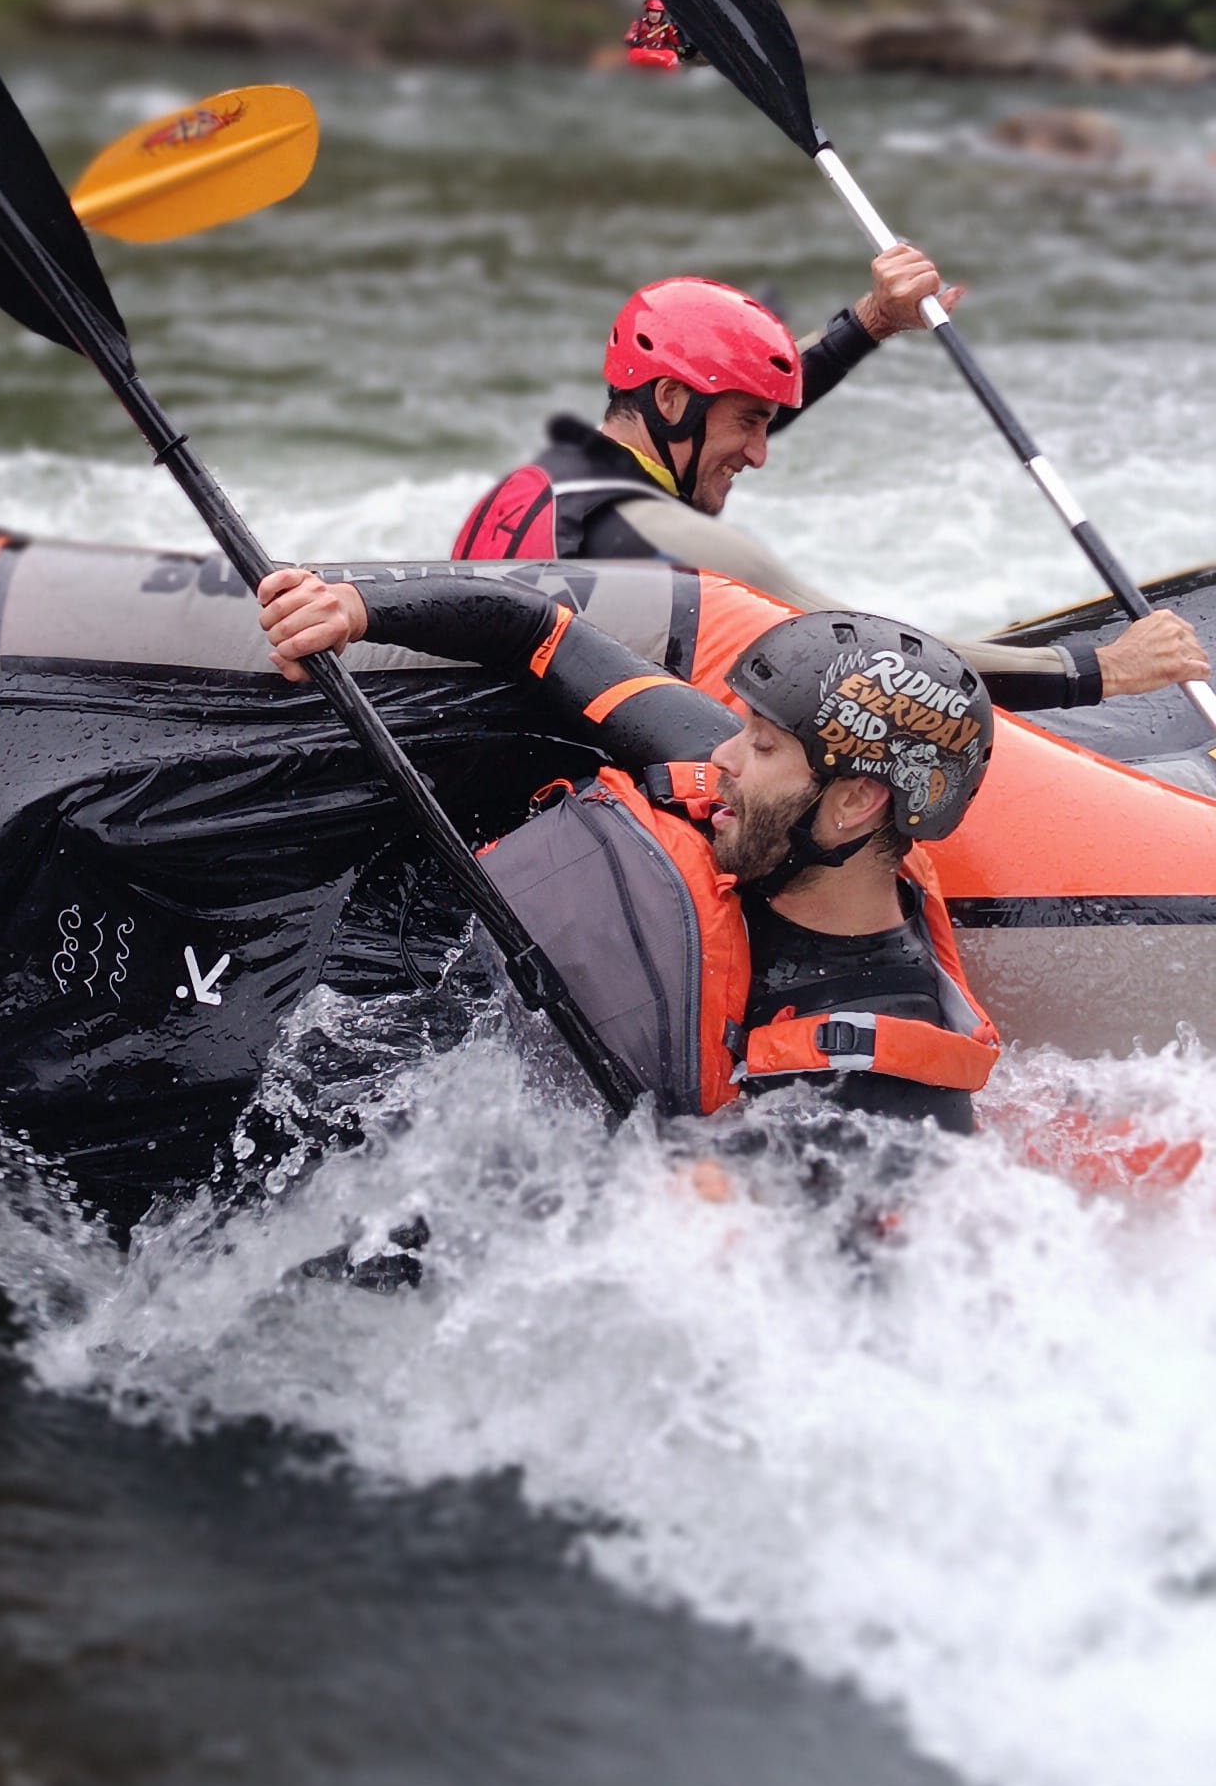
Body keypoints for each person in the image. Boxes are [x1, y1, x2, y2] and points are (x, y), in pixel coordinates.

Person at [257, 565, 999, 1135]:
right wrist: (353, 608)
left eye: (764, 746)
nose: (726, 759)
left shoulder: (884, 1082)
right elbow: (536, 631)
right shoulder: (745, 800)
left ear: (854, 804)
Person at [453, 267, 1206, 713]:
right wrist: (1097, 670)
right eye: (749, 424)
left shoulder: (554, 478)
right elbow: (865, 655)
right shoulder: (664, 541)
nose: (759, 453)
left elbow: (736, 405)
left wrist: (871, 321)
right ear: (671, 403)